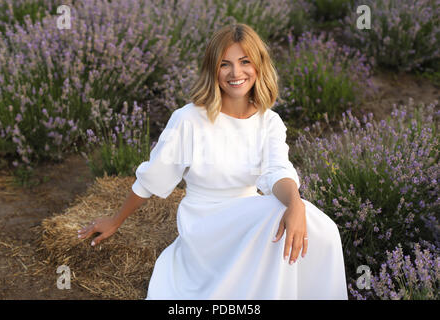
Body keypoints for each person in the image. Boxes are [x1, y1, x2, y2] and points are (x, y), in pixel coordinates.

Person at [77, 23, 348, 300]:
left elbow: (278, 171)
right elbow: (153, 179)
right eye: (224, 64)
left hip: (248, 216)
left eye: (245, 62)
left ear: (258, 66)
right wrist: (115, 220)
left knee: (322, 228)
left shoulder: (269, 121)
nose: (236, 73)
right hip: (204, 224)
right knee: (276, 215)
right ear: (212, 70)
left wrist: (296, 204)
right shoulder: (188, 119)